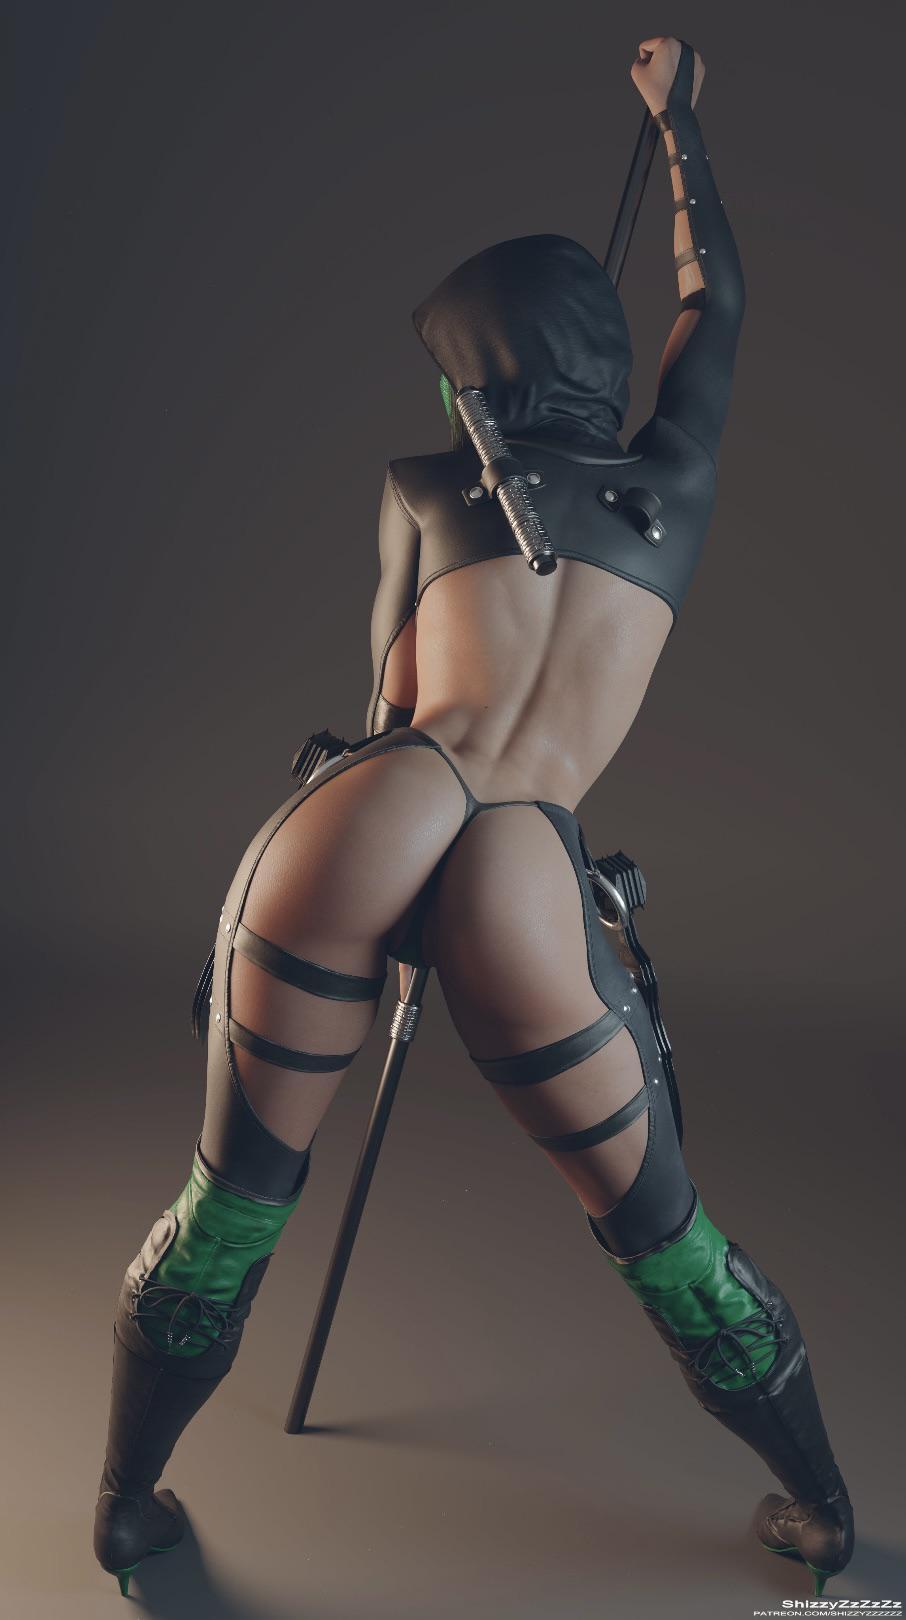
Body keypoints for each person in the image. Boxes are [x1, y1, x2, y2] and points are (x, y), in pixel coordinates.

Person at [93, 36, 853, 1600]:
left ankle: (124, 1505)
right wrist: (679, 121)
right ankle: (823, 1513)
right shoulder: (673, 481)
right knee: (660, 1227)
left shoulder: (422, 484)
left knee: (232, 1196)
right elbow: (714, 306)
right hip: (523, 846)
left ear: (470, 376)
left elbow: (388, 695)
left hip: (383, 802)